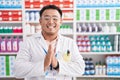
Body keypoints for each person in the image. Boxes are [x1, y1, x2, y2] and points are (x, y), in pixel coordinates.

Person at [14, 4, 85, 80]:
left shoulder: (70, 43)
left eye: (55, 18)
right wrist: (44, 65)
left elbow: (80, 69)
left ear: (61, 22)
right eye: (47, 18)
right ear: (40, 21)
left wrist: (57, 65)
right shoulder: (29, 42)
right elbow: (17, 71)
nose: (51, 22)